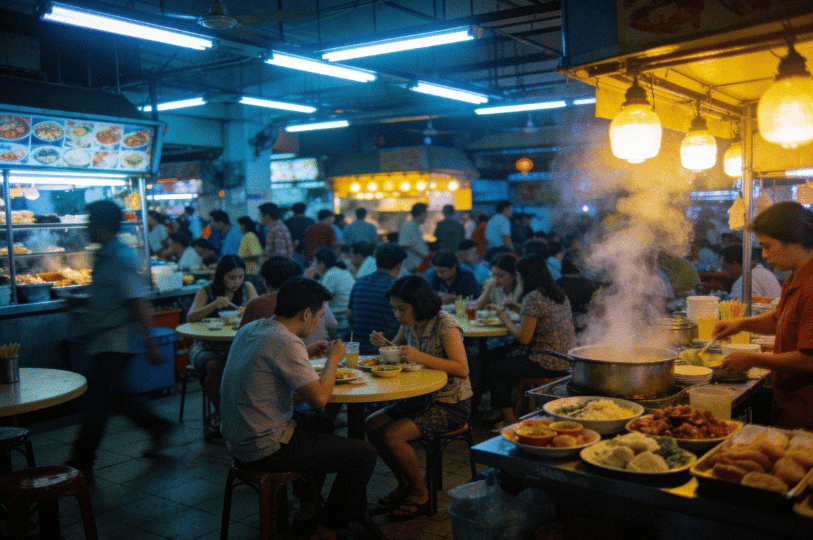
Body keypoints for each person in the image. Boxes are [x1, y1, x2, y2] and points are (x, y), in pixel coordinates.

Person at [220, 277, 377, 540]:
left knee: (322, 425)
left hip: (238, 438)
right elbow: (319, 399)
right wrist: (332, 360)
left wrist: (304, 351)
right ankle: (326, 529)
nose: (318, 322)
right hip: (264, 446)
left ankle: (307, 510)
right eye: (318, 316)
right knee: (364, 454)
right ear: (306, 314)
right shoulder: (285, 342)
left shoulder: (254, 328)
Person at [66, 200, 174, 471]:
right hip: (101, 339)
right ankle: (157, 426)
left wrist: (151, 343)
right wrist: (80, 303)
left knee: (96, 404)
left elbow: (138, 302)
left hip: (115, 342)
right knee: (117, 397)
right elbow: (107, 297)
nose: (86, 228)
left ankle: (81, 461)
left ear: (101, 226)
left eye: (89, 223)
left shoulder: (121, 258)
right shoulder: (104, 256)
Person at [367, 276, 471, 522]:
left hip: (450, 404)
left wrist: (419, 356)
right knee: (372, 424)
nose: (398, 314)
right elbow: (398, 351)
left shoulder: (446, 324)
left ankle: (420, 493)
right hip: (419, 399)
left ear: (420, 304)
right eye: (394, 308)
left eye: (402, 308)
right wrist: (383, 345)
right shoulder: (410, 324)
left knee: (393, 434)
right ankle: (405, 483)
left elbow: (462, 368)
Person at [712, 202, 813, 430]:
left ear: (795, 240)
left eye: (767, 247)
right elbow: (780, 318)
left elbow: (809, 360)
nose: (764, 255)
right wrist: (738, 325)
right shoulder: (795, 276)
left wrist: (753, 359)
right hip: (789, 401)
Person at [484, 253, 574, 427]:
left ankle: (510, 421)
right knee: (494, 354)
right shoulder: (557, 293)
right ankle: (508, 409)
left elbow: (524, 338)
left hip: (545, 362)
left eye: (518, 275)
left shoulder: (533, 296)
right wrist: (518, 308)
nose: (518, 279)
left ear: (526, 276)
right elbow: (540, 318)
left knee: (492, 369)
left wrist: (503, 316)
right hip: (564, 359)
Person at [187, 255, 258, 424]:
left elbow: (258, 312)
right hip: (207, 345)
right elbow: (190, 317)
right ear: (221, 275)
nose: (237, 282)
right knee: (214, 367)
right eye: (231, 277)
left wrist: (247, 311)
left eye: (240, 276)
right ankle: (222, 413)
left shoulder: (247, 287)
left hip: (237, 344)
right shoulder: (207, 290)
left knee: (257, 364)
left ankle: (247, 413)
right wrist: (212, 305)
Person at [239, 256, 338, 345]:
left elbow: (241, 338)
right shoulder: (311, 299)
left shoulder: (256, 305)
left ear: (265, 282)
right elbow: (333, 325)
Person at [348, 243, 407, 354]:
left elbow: (349, 315)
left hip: (358, 350)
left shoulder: (359, 283)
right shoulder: (398, 287)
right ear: (399, 265)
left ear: (376, 262)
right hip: (387, 350)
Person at [312, 247, 355, 335]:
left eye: (314, 261)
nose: (313, 265)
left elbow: (318, 300)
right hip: (348, 319)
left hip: (342, 323)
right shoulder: (342, 270)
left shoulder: (331, 275)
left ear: (321, 263)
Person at [556, 250, 599, 333]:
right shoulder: (590, 284)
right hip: (587, 331)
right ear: (581, 264)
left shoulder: (556, 285)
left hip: (563, 330)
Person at [398, 203, 429, 274]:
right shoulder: (407, 226)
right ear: (422, 214)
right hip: (412, 266)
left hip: (419, 265)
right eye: (426, 213)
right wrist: (423, 256)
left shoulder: (416, 226)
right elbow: (405, 245)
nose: (426, 216)